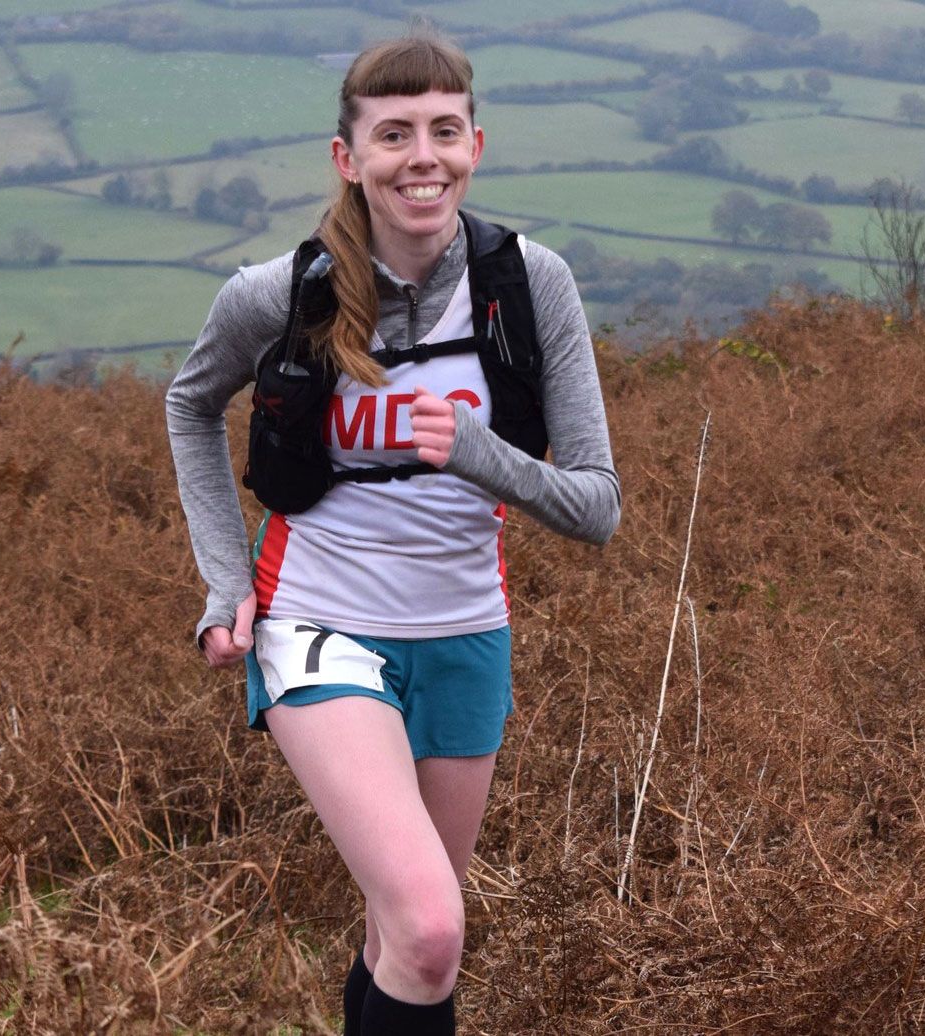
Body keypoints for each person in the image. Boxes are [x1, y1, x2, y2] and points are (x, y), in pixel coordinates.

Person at [165, 33, 620, 1036]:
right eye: (394, 134)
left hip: (465, 634)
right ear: (348, 157)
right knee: (427, 925)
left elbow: (595, 507)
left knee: (402, 943)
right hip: (319, 621)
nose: (424, 156)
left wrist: (474, 451)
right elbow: (190, 405)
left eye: (444, 131)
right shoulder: (280, 295)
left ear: (476, 143)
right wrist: (221, 577)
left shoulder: (529, 283)